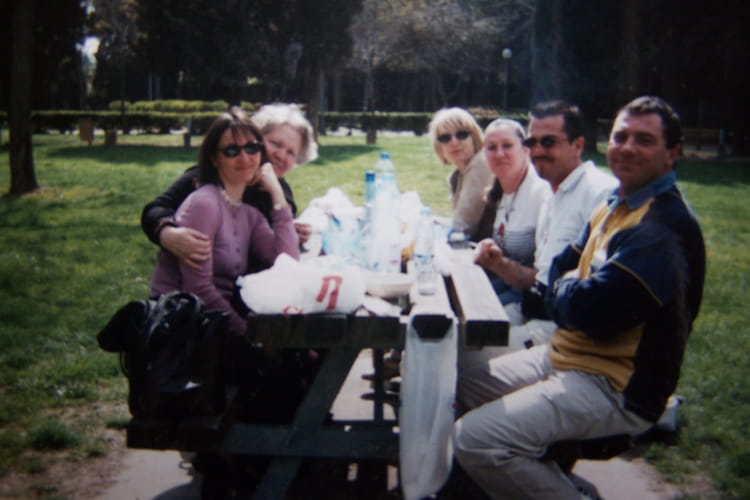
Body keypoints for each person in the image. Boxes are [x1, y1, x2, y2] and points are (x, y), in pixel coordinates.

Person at [453, 96, 706, 499]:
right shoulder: (614, 206)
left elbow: (590, 311)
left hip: (615, 384)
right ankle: (540, 474)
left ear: (672, 154)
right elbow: (560, 271)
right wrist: (569, 287)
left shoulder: (661, 228)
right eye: (620, 137)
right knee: (465, 385)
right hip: (567, 355)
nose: (627, 148)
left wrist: (566, 289)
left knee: (474, 438)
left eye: (644, 140)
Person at [468, 101, 617, 351]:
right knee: (457, 336)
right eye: (532, 142)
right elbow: (540, 279)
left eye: (548, 142)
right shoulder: (550, 196)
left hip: (562, 330)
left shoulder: (600, 192)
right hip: (531, 309)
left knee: (466, 355)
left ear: (578, 145)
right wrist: (498, 263)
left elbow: (604, 295)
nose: (538, 150)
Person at [149, 107, 299, 337]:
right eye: (231, 150)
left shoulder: (248, 214)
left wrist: (277, 193)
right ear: (214, 158)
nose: (245, 158)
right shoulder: (205, 204)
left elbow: (287, 262)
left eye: (252, 148)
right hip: (183, 327)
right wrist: (249, 335)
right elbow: (197, 289)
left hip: (219, 319)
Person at [141, 103, 317, 271]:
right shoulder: (210, 175)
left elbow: (280, 253)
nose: (280, 155)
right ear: (256, 139)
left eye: (291, 152)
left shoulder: (281, 193)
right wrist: (166, 233)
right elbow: (156, 209)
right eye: (275, 144)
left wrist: (290, 232)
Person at [472, 118, 552, 305]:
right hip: (506, 285)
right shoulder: (502, 192)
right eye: (491, 147)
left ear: (526, 150)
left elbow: (547, 277)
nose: (499, 154)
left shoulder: (543, 193)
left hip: (533, 300)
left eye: (507, 145)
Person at [428, 107, 494, 240]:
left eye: (461, 135)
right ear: (439, 146)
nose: (454, 142)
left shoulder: (480, 164)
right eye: (445, 138)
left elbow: (463, 226)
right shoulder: (456, 176)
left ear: (474, 137)